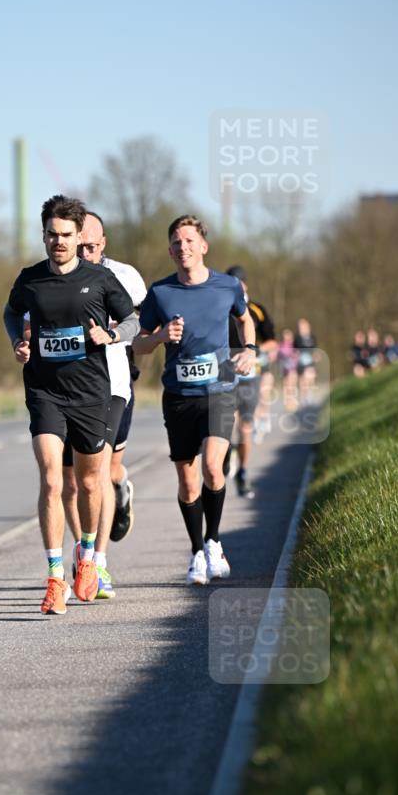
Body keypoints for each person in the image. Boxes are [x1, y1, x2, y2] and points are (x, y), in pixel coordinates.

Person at [3, 195, 139, 615]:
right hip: (45, 391)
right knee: (51, 479)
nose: (57, 242)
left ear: (79, 236)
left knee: (91, 483)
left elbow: (133, 318)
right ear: (43, 235)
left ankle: (86, 557)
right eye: (51, 234)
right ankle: (54, 578)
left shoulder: (98, 279)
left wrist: (113, 336)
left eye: (65, 235)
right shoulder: (30, 279)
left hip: (90, 394)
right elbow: (11, 313)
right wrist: (18, 341)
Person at [133, 215, 256, 585]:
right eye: (175, 242)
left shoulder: (228, 286)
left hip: (219, 389)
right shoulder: (160, 293)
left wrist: (249, 349)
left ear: (203, 246)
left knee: (213, 469)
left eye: (188, 240)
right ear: (169, 250)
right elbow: (138, 343)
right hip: (179, 396)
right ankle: (197, 552)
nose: (181, 247)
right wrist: (159, 338)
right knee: (188, 483)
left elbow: (245, 319)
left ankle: (214, 540)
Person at [61, 211, 147, 599]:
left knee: (98, 470)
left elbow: (136, 321)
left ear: (104, 242)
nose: (87, 252)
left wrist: (112, 336)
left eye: (93, 246)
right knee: (71, 482)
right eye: (81, 247)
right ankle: (83, 554)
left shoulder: (124, 276)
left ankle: (100, 564)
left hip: (111, 385)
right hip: (64, 388)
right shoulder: (55, 275)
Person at [224, 266, 277, 499]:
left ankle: (243, 473)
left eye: (239, 283)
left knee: (245, 427)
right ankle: (225, 454)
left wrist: (253, 351)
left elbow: (273, 342)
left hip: (249, 376)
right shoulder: (219, 306)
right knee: (225, 425)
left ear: (245, 285)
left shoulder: (257, 310)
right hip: (223, 374)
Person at [294, 318, 317, 403]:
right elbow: (295, 349)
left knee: (310, 377)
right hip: (301, 361)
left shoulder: (312, 337)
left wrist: (315, 355)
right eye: (300, 326)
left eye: (303, 326)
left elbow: (315, 349)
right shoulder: (297, 338)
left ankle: (308, 394)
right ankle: (303, 397)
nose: (302, 328)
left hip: (310, 361)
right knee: (302, 380)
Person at [278, 329, 299, 411]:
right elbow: (280, 354)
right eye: (285, 335)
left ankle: (292, 401)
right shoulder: (281, 345)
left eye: (287, 335)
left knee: (292, 384)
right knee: (286, 385)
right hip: (284, 368)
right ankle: (287, 401)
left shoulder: (294, 344)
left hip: (293, 367)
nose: (286, 337)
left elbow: (297, 354)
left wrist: (294, 355)